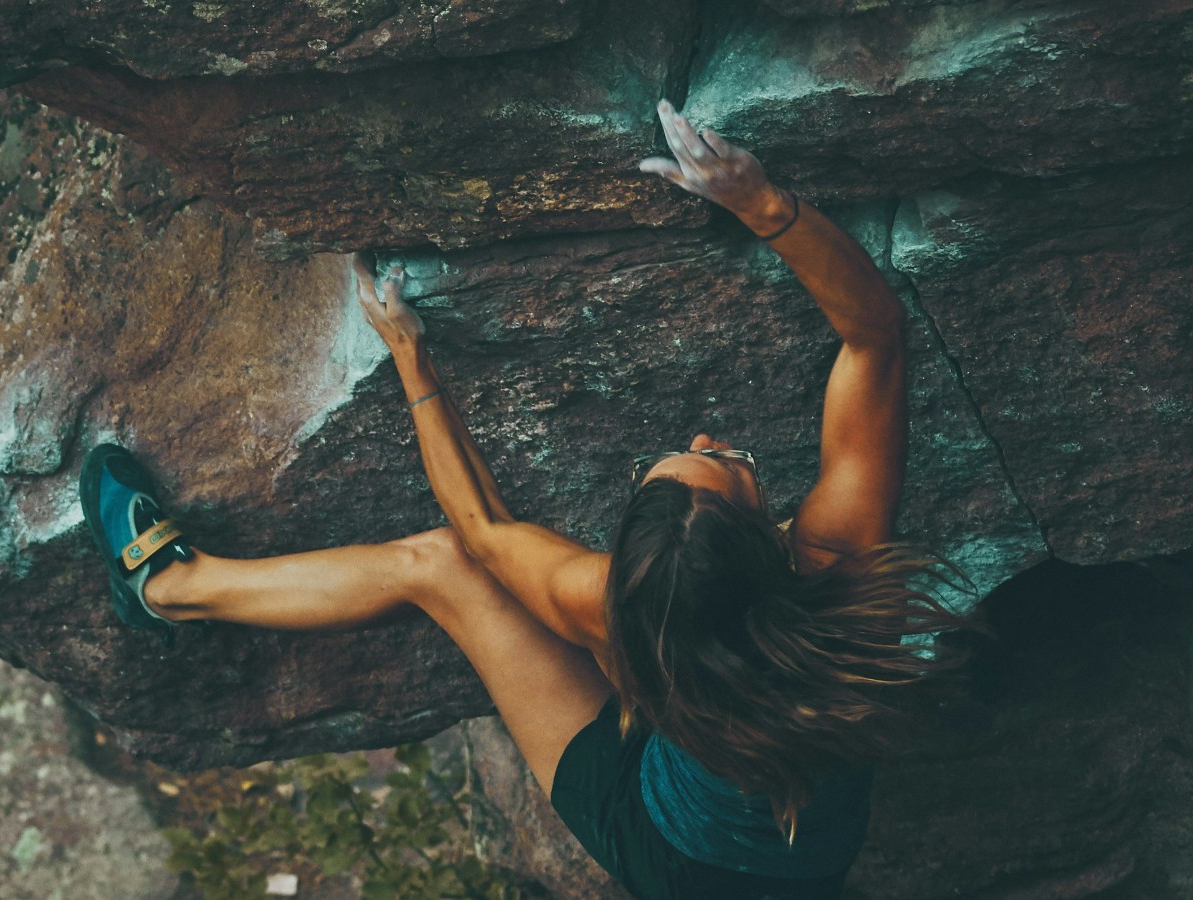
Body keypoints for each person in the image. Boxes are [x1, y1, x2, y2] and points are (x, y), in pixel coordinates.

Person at [80, 100, 966, 899]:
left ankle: (169, 588)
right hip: (790, 856)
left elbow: (483, 528)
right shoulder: (841, 582)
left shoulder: (612, 606)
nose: (704, 436)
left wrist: (411, 358)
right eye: (714, 458)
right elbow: (875, 339)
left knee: (440, 564)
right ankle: (176, 591)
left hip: (672, 856)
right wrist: (761, 203)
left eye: (713, 458)